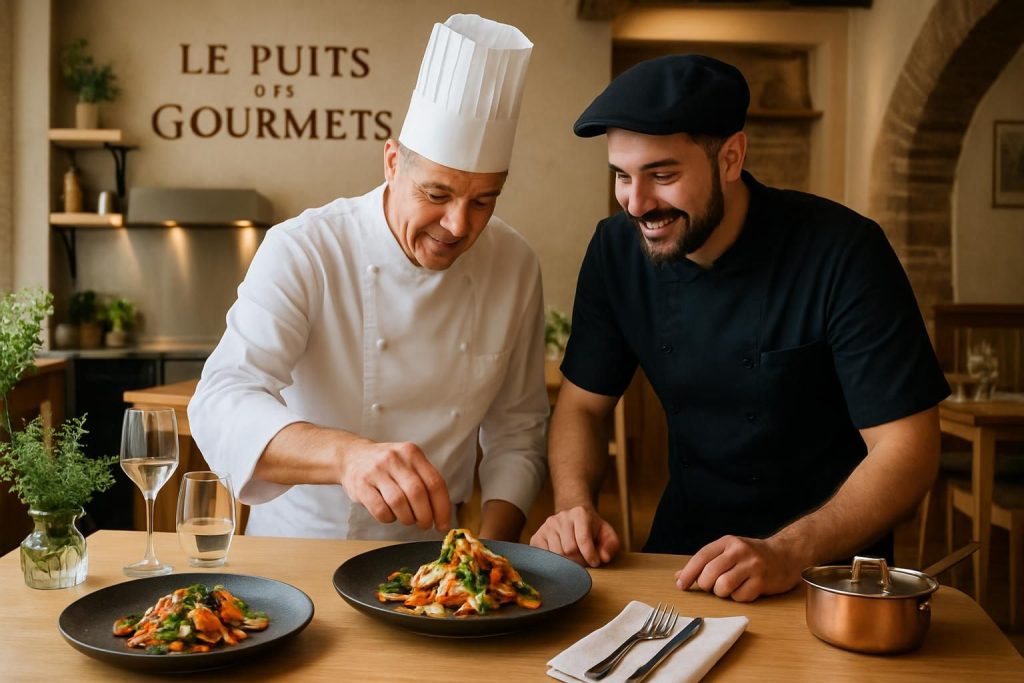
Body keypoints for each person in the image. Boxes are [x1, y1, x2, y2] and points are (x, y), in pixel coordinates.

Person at [530, 55, 949, 601]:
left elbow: (908, 448)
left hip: (827, 572)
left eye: (663, 175)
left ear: (731, 157)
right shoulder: (616, 250)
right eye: (622, 177)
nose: (638, 203)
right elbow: (582, 407)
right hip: (682, 557)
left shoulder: (843, 252)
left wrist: (790, 550)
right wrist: (573, 508)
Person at [189, 15, 548, 542]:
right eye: (437, 195)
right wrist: (346, 455)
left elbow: (518, 429)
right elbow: (221, 400)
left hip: (433, 564)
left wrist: (488, 551)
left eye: (483, 201)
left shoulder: (514, 264)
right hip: (299, 552)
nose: (458, 226)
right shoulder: (307, 248)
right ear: (392, 162)